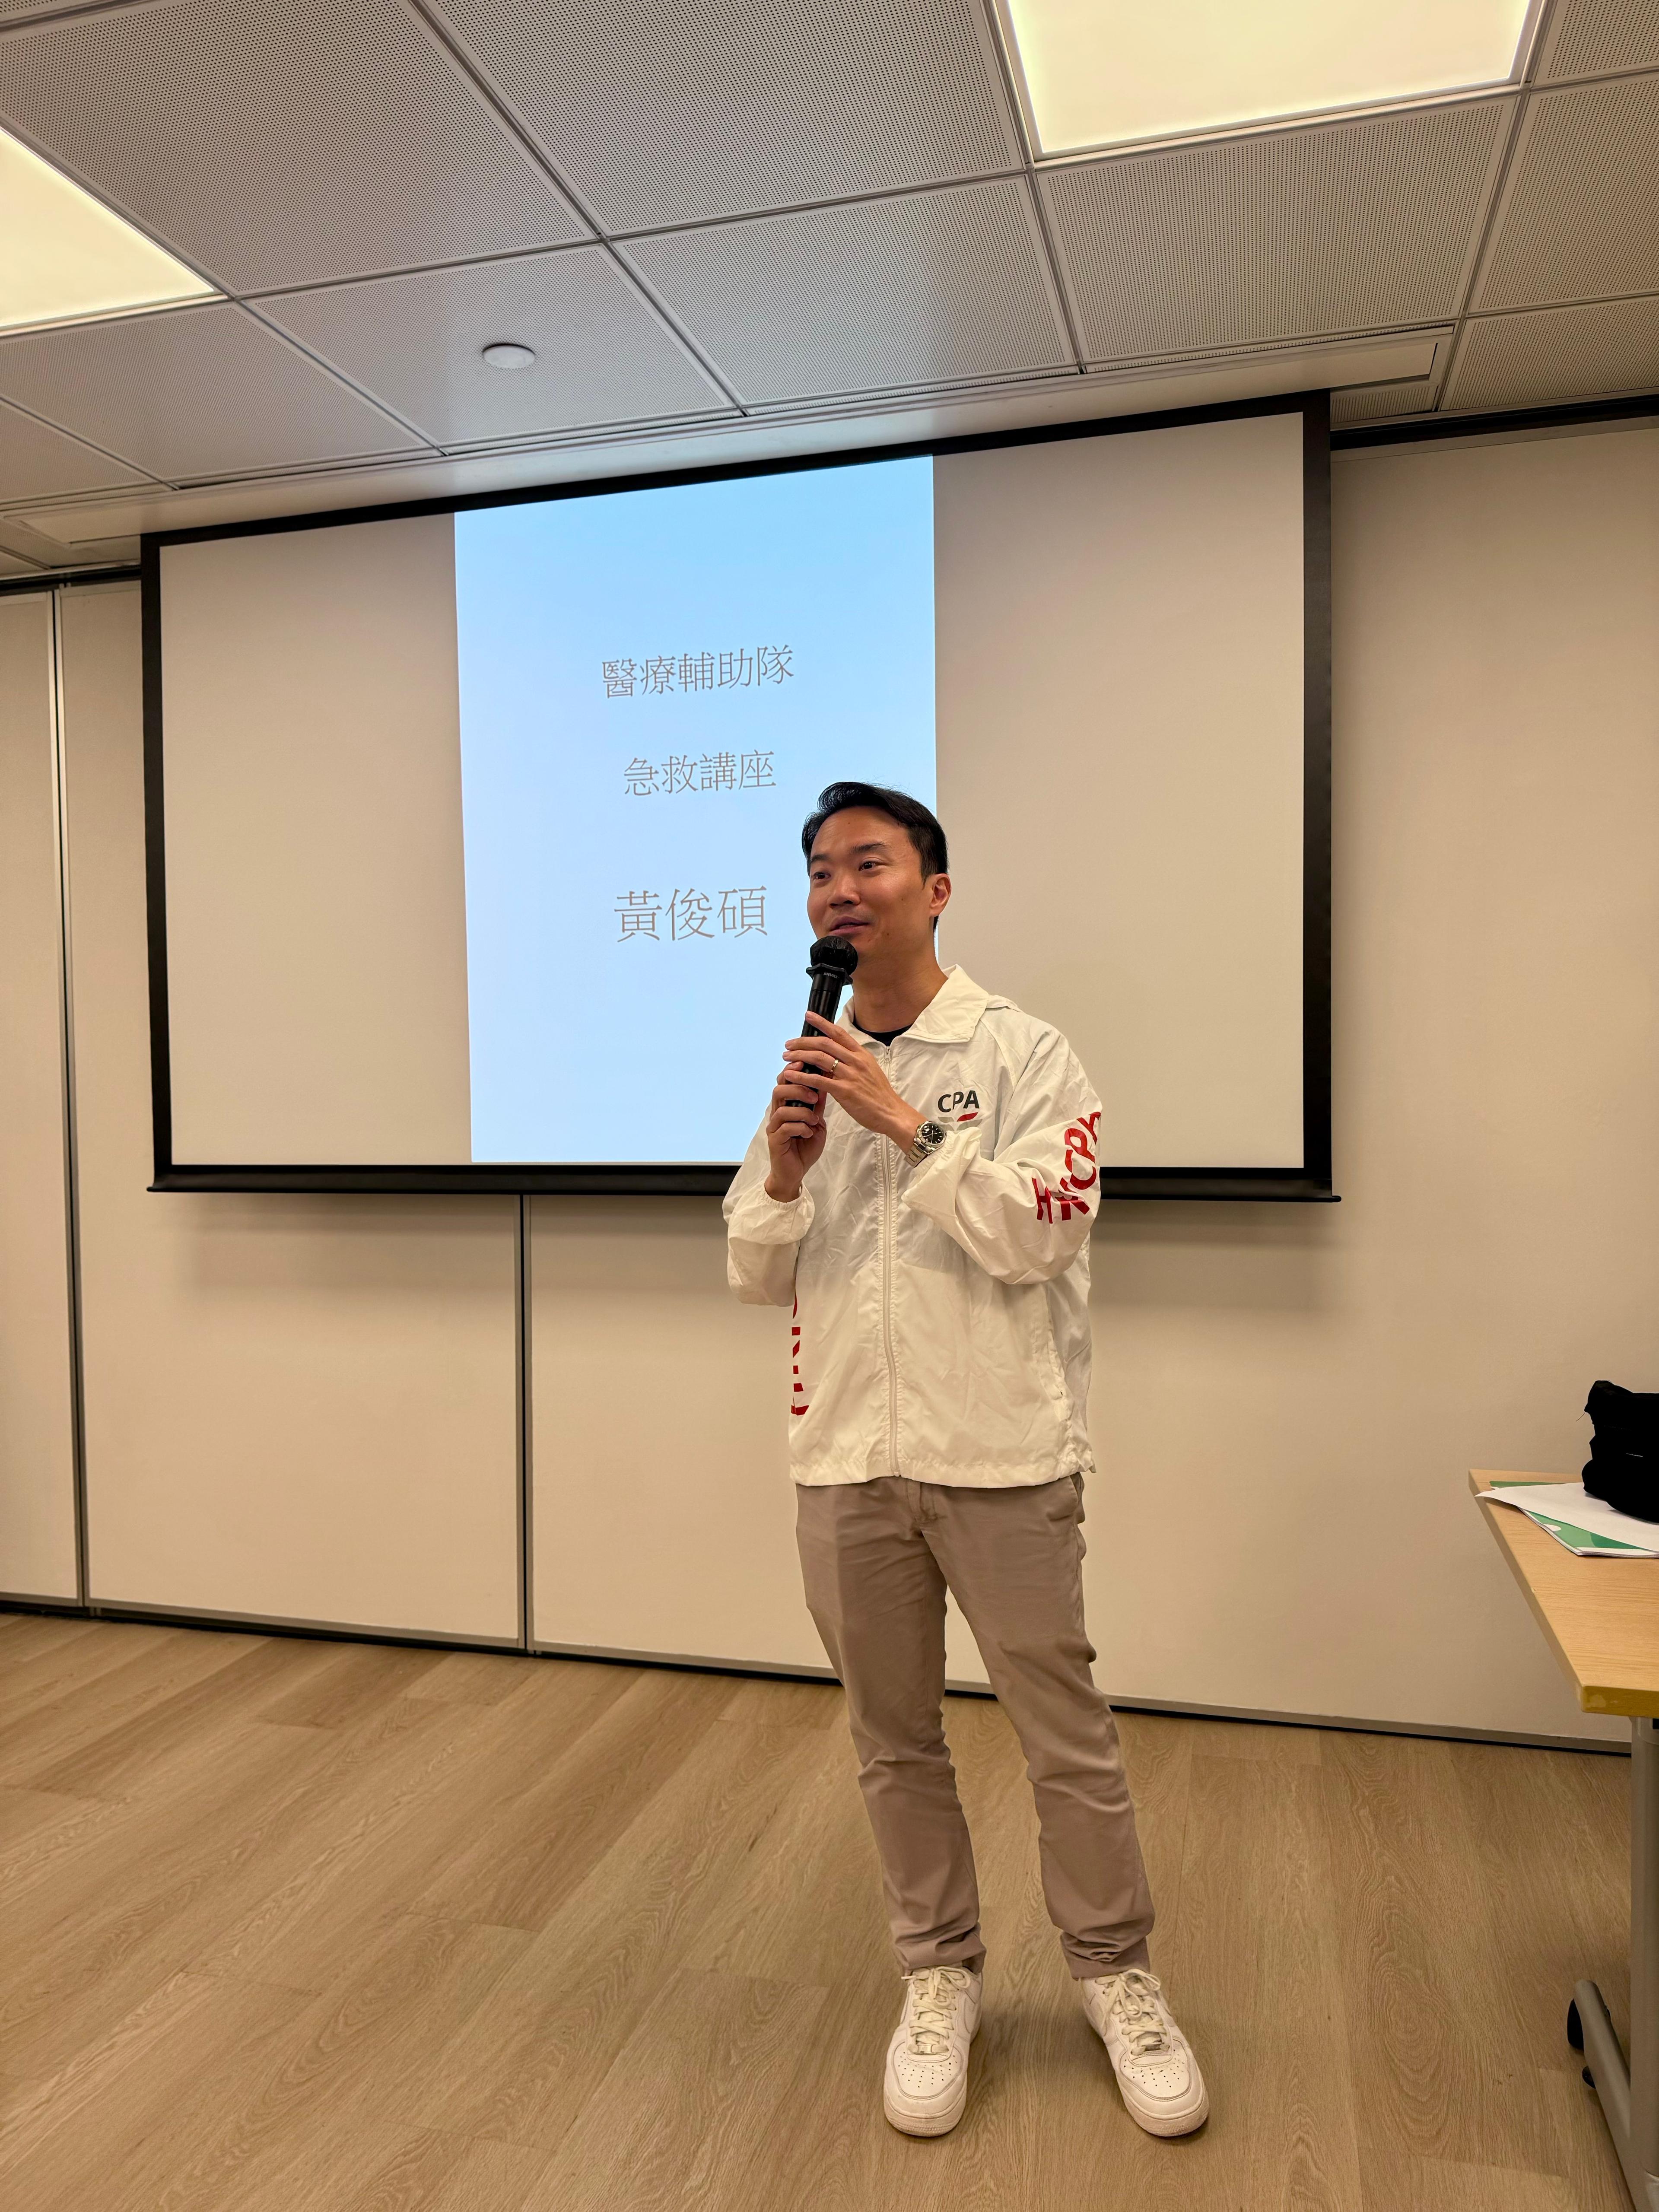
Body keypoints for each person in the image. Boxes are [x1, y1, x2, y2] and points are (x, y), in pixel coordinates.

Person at [724, 781, 1208, 2140]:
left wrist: (902, 1122)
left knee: (1066, 1736)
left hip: (1001, 1452)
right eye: (821, 870)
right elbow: (754, 1272)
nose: (839, 890)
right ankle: (937, 1975)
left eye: (869, 863)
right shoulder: (808, 1063)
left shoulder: (1025, 1053)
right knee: (893, 1741)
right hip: (845, 1457)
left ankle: (1117, 1976)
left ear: (935, 891)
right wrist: (785, 1171)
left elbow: (1040, 1232)